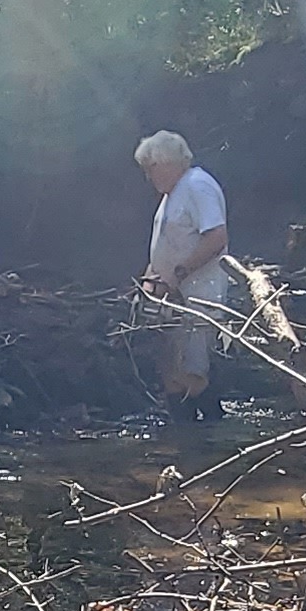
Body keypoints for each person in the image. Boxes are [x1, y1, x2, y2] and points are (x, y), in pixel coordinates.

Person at [131, 129, 232, 423]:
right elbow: (168, 244)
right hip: (173, 298)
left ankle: (207, 441)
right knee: (173, 372)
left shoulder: (198, 186)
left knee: (193, 373)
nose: (149, 176)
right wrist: (149, 280)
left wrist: (178, 274)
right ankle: (187, 438)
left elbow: (216, 237)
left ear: (167, 162)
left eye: (151, 168)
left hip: (199, 295)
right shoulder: (173, 194)